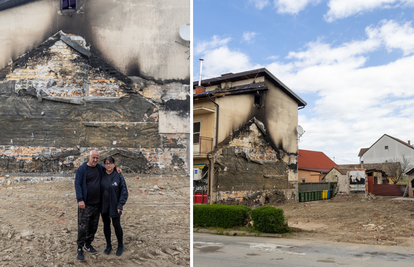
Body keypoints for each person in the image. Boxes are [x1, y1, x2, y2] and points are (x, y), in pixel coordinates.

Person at [74, 150, 121, 261]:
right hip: (85, 204)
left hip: (97, 204)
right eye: (93, 158)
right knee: (82, 227)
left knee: (93, 227)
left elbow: (109, 168)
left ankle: (88, 244)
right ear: (89, 157)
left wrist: (116, 168)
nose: (95, 160)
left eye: (97, 158)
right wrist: (80, 199)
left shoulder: (99, 167)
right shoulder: (82, 169)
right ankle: (80, 247)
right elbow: (77, 184)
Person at [101, 156, 128, 256]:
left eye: (110, 163)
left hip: (115, 206)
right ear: (104, 165)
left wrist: (120, 205)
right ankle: (109, 245)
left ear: (114, 164)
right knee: (106, 225)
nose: (108, 165)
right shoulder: (101, 174)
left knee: (116, 225)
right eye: (106, 163)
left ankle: (120, 245)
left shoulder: (119, 176)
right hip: (104, 205)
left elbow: (124, 192)